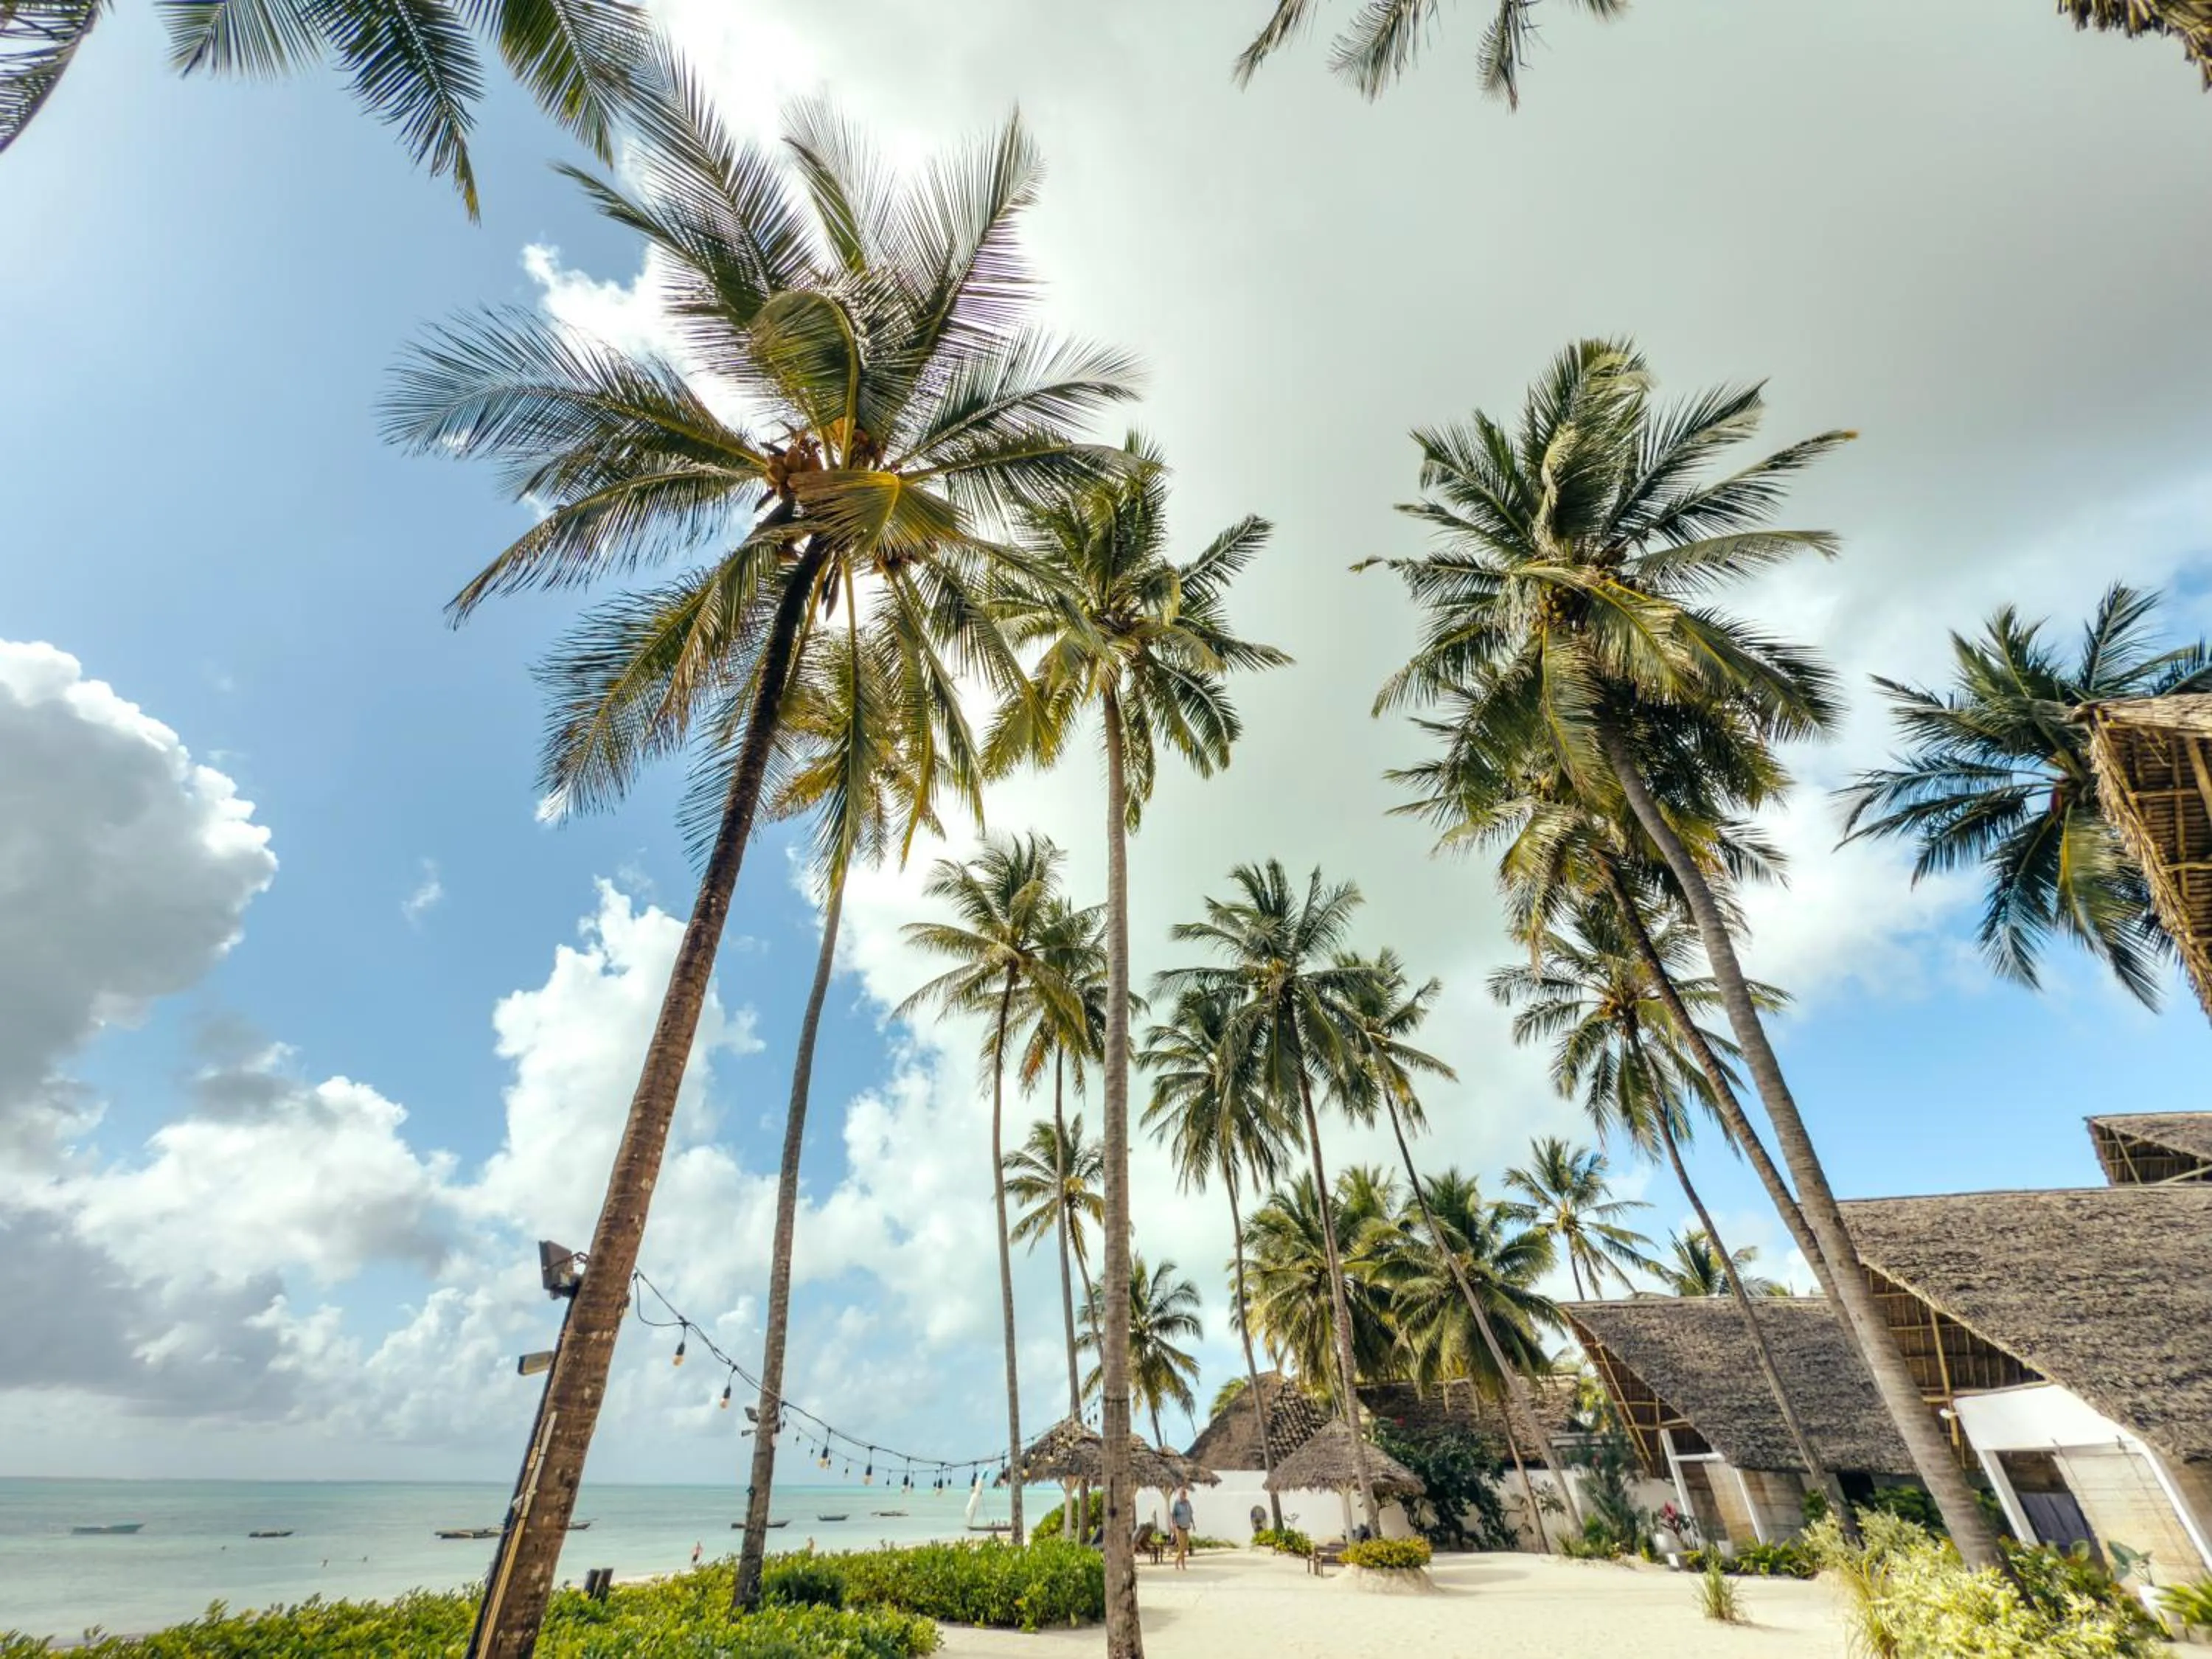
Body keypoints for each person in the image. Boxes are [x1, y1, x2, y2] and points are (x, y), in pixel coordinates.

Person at [1169, 1486, 1194, 1571]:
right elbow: (1173, 1515)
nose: (1183, 1495)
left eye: (1184, 1493)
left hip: (1186, 1527)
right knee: (1181, 1548)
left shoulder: (1188, 1503)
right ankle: (1182, 1565)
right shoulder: (1177, 1503)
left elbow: (1190, 1514)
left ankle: (1177, 1561)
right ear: (1179, 1494)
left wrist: (1193, 1524)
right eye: (1182, 1493)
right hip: (1179, 1528)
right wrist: (1174, 1524)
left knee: (1185, 1547)